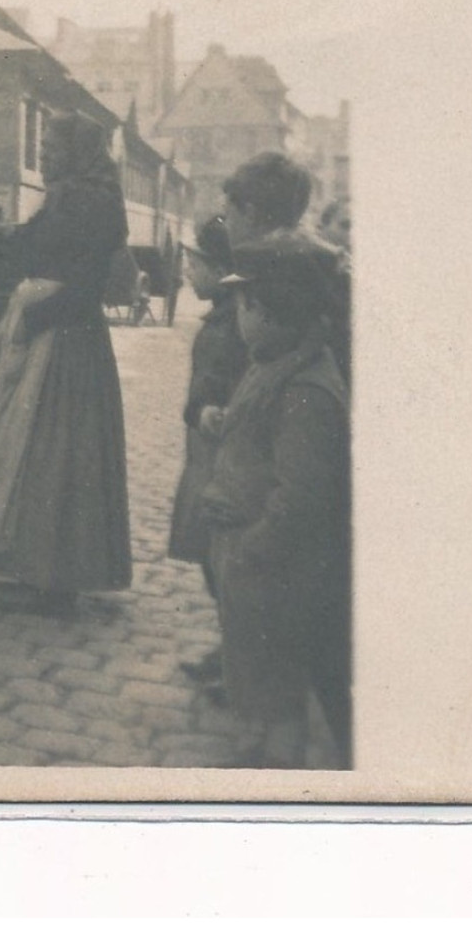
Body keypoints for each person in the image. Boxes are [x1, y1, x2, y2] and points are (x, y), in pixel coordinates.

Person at [0, 112, 132, 615]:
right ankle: (36, 571)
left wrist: (36, 314)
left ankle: (54, 580)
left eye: (53, 144)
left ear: (79, 150)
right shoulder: (67, 197)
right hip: (51, 331)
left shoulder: (89, 203)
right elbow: (32, 251)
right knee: (36, 452)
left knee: (53, 454)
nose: (43, 153)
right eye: (41, 144)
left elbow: (86, 286)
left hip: (65, 341)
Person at [201, 231, 352, 769]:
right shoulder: (272, 364)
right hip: (250, 556)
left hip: (274, 563)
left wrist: (255, 547)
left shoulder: (306, 391)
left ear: (270, 311)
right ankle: (255, 750)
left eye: (244, 305)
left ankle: (277, 769)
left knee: (277, 680)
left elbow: (303, 494)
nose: (239, 317)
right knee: (250, 668)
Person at [168, 216, 248, 683]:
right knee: (209, 553)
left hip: (217, 453)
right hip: (203, 450)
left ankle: (239, 657)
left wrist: (206, 410)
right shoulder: (223, 317)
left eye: (195, 264)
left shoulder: (231, 323)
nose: (188, 273)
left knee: (220, 553)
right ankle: (232, 648)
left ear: (220, 269)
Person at [223, 152, 351, 384]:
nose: (227, 228)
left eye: (228, 217)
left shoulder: (263, 278)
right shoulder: (323, 265)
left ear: (250, 214)